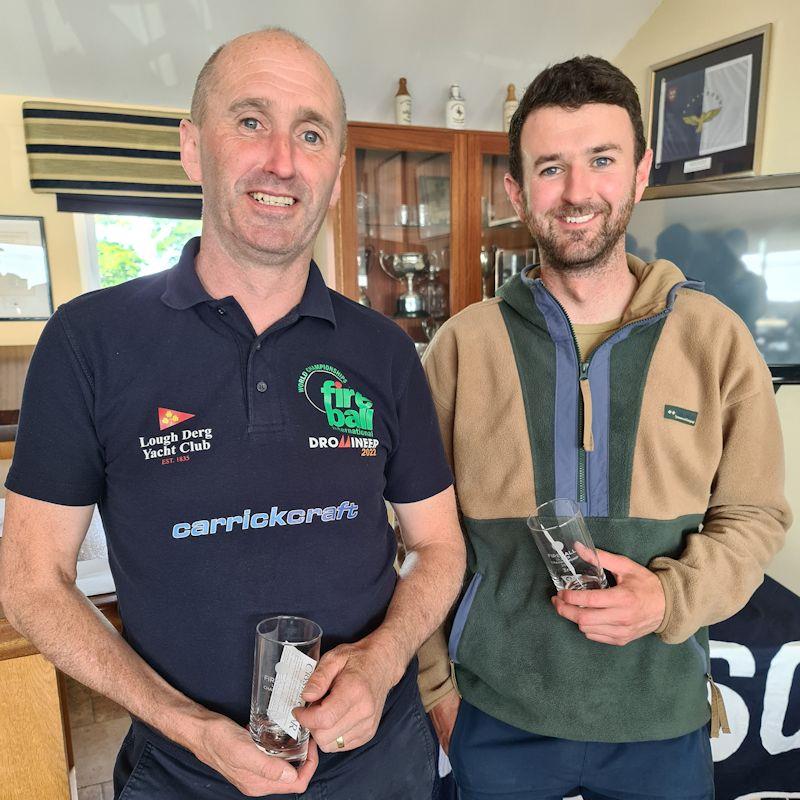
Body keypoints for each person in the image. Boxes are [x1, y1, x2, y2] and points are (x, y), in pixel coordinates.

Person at [0, 28, 465, 800]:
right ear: (192, 148)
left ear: (335, 172)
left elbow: (439, 545)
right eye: (251, 122)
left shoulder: (385, 352)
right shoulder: (88, 342)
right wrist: (189, 726)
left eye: (310, 133)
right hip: (183, 772)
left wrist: (384, 661)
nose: (282, 159)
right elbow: (31, 583)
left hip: (379, 762)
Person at [417, 56, 791, 800]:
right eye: (551, 168)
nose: (578, 191)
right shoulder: (461, 347)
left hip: (662, 724)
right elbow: (416, 540)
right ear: (517, 190)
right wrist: (438, 692)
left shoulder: (717, 340)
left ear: (642, 172)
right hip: (495, 718)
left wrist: (666, 599)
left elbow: (753, 518)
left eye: (602, 161)